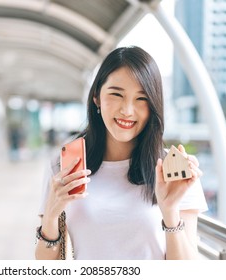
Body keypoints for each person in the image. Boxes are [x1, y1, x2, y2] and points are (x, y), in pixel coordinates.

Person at [35, 46, 208, 260]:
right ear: (97, 97)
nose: (127, 110)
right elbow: (45, 264)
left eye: (141, 99)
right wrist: (52, 215)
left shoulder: (174, 171)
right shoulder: (64, 165)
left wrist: (170, 210)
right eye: (116, 94)